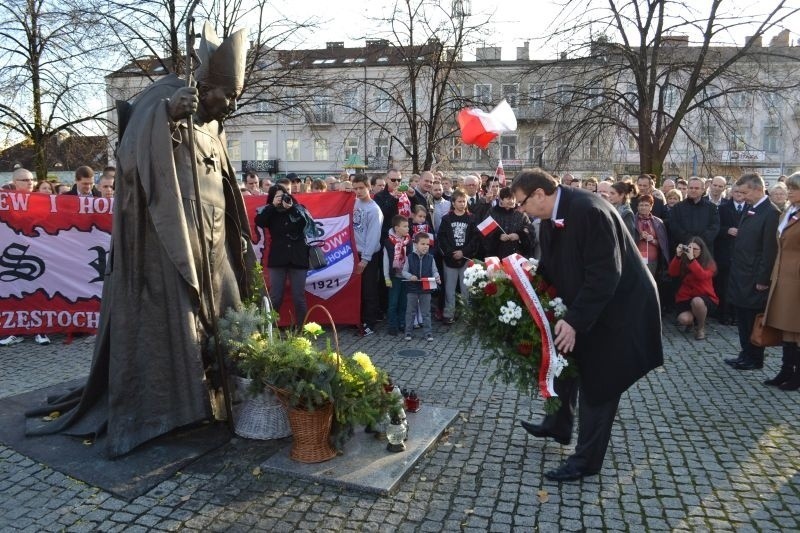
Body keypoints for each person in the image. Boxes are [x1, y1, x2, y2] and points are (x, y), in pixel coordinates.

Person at [25, 23, 256, 457]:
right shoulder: (165, 98)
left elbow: (223, 184)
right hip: (168, 244)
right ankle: (172, 406)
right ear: (204, 85)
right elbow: (129, 157)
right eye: (226, 94)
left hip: (214, 241)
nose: (231, 104)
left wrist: (237, 239)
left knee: (227, 315)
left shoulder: (216, 126)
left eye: (235, 96)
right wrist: (166, 115)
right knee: (174, 323)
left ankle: (223, 395)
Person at [511, 168, 663, 482]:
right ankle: (559, 424)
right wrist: (526, 283)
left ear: (540, 194)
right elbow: (552, 266)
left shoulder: (590, 211)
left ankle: (586, 461)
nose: (521, 210)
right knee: (566, 361)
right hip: (590, 302)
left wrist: (574, 320)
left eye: (522, 202)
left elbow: (605, 274)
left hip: (620, 309)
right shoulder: (550, 217)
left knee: (600, 382)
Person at [725, 173, 780, 371]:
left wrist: (763, 279)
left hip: (754, 276)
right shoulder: (751, 209)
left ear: (758, 189)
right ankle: (745, 353)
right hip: (740, 272)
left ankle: (755, 357)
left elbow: (769, 250)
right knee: (742, 317)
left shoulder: (771, 212)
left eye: (745, 192)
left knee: (752, 318)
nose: (742, 196)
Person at [761, 173, 800, 390]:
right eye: (789, 188)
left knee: (797, 328)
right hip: (782, 276)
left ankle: (797, 375)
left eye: (795, 188)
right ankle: (786, 370)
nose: (790, 191)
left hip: (796, 277)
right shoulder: (789, 211)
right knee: (786, 327)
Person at [254, 184, 310, 327]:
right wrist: (273, 206)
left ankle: (300, 329)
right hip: (278, 258)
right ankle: (270, 329)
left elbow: (306, 223)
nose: (281, 199)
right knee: (276, 296)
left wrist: (290, 207)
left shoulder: (297, 208)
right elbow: (259, 221)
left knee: (298, 296)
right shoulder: (269, 211)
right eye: (277, 196)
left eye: (283, 195)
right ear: (272, 198)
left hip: (298, 257)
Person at [437, 190, 479, 325]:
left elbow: (475, 239)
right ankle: (449, 314)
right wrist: (451, 252)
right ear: (453, 203)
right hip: (450, 259)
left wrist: (464, 252)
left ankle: (467, 314)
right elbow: (441, 238)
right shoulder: (446, 218)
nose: (462, 204)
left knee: (466, 289)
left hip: (466, 259)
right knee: (449, 289)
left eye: (464, 201)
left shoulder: (472, 218)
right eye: (459, 201)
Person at [668, 237, 718, 340]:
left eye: (695, 249)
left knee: (697, 302)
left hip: (704, 297)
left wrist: (692, 260)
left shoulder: (709, 263)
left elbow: (701, 276)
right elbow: (672, 273)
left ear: (702, 250)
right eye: (689, 248)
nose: (692, 251)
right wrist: (677, 256)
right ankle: (692, 322)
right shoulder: (683, 259)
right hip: (685, 298)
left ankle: (700, 328)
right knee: (683, 319)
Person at [352, 173, 383, 336]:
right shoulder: (354, 203)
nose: (358, 192)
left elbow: (373, 236)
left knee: (369, 290)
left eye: (361, 188)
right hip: (353, 252)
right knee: (356, 289)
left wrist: (365, 259)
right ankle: (357, 317)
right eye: (355, 188)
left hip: (368, 256)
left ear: (369, 187)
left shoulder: (374, 210)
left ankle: (369, 322)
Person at [713, 184, 747, 325]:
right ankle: (724, 314)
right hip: (725, 253)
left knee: (740, 285)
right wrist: (727, 230)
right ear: (731, 192)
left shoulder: (750, 209)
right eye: (736, 191)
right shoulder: (722, 208)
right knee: (724, 285)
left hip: (743, 254)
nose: (738, 194)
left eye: (741, 192)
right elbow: (715, 228)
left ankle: (737, 315)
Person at [402, 233, 441, 342]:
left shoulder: (431, 258)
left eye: (427, 244)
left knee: (426, 313)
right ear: (415, 244)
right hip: (412, 289)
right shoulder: (409, 257)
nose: (425, 246)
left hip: (425, 289)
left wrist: (437, 277)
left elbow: (435, 271)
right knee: (410, 312)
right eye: (422, 244)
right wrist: (410, 276)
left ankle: (428, 333)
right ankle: (408, 332)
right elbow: (404, 271)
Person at [668, 176, 719, 254]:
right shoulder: (678, 207)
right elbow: (675, 227)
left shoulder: (711, 208)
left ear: (703, 190)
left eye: (696, 188)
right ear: (687, 189)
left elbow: (714, 227)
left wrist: (699, 242)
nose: (693, 190)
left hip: (705, 250)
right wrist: (690, 240)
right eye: (691, 188)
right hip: (683, 250)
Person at [483, 187, 534, 259]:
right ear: (501, 199)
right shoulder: (492, 212)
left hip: (517, 256)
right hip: (496, 256)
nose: (512, 201)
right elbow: (484, 231)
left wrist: (519, 235)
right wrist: (498, 236)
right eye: (508, 198)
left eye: (513, 198)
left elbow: (530, 230)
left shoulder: (521, 213)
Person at [383, 215, 411, 336]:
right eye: (405, 226)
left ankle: (402, 323)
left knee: (404, 302)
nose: (408, 228)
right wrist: (386, 277)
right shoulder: (389, 242)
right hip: (394, 277)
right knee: (393, 303)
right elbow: (385, 261)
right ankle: (392, 325)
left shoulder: (409, 241)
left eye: (408, 226)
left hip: (405, 277)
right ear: (396, 228)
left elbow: (412, 259)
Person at [633, 194, 670, 278]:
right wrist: (639, 237)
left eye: (646, 205)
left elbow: (663, 244)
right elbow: (627, 240)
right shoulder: (632, 220)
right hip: (635, 259)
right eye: (641, 205)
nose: (643, 207)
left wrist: (652, 240)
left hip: (652, 261)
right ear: (637, 206)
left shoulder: (658, 222)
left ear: (651, 207)